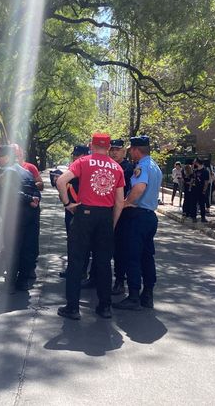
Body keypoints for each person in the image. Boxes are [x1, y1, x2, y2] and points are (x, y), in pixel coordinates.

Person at [56, 133, 125, 320]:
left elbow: (61, 181)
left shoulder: (83, 162)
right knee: (103, 263)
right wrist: (112, 223)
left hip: (84, 214)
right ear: (108, 147)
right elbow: (120, 201)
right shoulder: (117, 168)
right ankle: (104, 307)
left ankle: (72, 307)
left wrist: (67, 204)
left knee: (76, 261)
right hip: (105, 216)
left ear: (91, 146)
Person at [113, 136, 162, 310]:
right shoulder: (155, 166)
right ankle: (147, 294)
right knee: (147, 256)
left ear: (135, 150)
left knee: (132, 256)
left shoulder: (141, 166)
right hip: (150, 217)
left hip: (137, 216)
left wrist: (126, 202)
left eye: (130, 150)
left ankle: (133, 296)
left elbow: (139, 187)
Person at [0, 145, 42, 291]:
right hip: (31, 215)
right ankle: (23, 281)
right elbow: (36, 190)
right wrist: (34, 200)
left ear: (7, 157)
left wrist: (29, 199)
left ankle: (10, 283)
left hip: (15, 215)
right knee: (27, 248)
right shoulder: (26, 172)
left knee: (12, 249)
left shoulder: (7, 171)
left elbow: (11, 193)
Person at [54, 145, 89, 279]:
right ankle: (72, 269)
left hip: (83, 210)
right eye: (74, 154)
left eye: (78, 154)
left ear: (85, 155)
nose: (75, 157)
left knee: (83, 243)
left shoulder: (86, 169)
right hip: (70, 210)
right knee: (72, 241)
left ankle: (82, 271)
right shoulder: (73, 170)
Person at [109, 139, 134, 295]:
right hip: (106, 210)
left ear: (124, 151)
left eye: (117, 149)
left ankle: (119, 281)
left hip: (123, 212)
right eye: (112, 149)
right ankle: (96, 276)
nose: (114, 152)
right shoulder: (107, 166)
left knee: (120, 249)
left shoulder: (129, 168)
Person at [187, 158, 209, 223]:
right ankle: (193, 217)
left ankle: (203, 217)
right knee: (193, 203)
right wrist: (190, 187)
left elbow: (206, 182)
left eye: (194, 162)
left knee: (202, 204)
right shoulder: (195, 171)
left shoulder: (205, 171)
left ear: (197, 163)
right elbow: (192, 179)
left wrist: (204, 190)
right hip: (194, 189)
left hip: (201, 189)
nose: (193, 164)